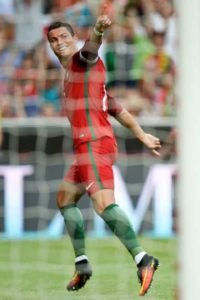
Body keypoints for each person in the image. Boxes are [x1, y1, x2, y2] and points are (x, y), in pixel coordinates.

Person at [47, 5, 161, 296]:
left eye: (63, 37)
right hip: (90, 143)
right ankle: (82, 262)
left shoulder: (81, 62)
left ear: (74, 38)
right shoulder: (80, 77)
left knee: (102, 205)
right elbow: (115, 107)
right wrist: (141, 135)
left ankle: (143, 259)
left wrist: (97, 31)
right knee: (65, 199)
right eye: (53, 40)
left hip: (93, 143)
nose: (59, 42)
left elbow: (91, 49)